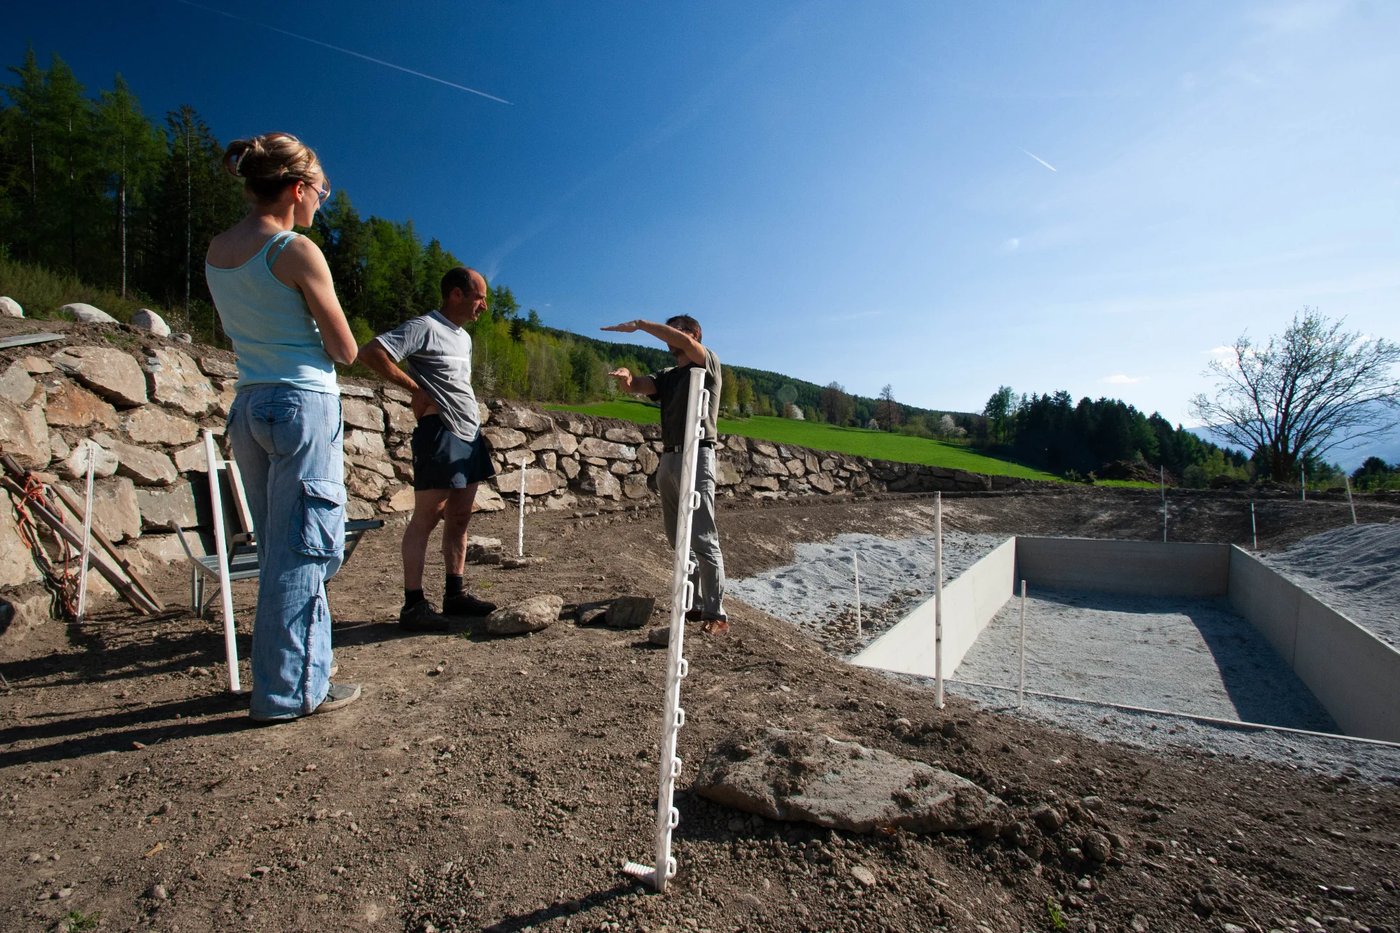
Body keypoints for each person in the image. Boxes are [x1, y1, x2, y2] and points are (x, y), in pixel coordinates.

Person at [205, 132, 361, 722]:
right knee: (307, 548)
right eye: (321, 191)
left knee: (280, 547)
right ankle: (286, 692)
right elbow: (344, 349)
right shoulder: (295, 250)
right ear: (297, 189)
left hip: (249, 404)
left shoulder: (219, 249)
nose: (322, 202)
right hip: (302, 402)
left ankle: (306, 673)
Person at [358, 267, 498, 632]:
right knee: (428, 516)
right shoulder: (424, 326)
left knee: (460, 517)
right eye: (479, 296)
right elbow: (372, 353)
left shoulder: (464, 338)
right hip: (439, 431)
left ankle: (455, 593)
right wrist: (414, 389)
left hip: (469, 433)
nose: (483, 305)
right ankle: (413, 604)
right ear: (456, 294)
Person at [602, 316, 728, 633]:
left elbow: (685, 344)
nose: (669, 337)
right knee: (679, 538)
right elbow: (638, 386)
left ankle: (716, 613)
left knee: (702, 536)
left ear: (693, 335)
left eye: (676, 330)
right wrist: (627, 378)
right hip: (670, 457)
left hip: (697, 453)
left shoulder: (707, 361)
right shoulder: (669, 375)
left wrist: (642, 325)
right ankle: (694, 605)